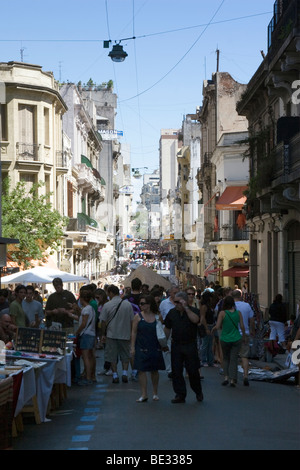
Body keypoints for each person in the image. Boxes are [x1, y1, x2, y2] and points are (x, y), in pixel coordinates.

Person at [164, 291, 203, 403]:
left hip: (190, 344)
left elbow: (196, 320)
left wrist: (186, 308)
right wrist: (163, 343)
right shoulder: (172, 313)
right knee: (176, 371)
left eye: (177, 302)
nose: (175, 304)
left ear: (184, 301)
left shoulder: (193, 311)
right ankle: (180, 394)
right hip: (176, 344)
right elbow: (167, 328)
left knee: (193, 371)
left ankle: (198, 391)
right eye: (174, 302)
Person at [131, 294, 165, 402]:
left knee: (154, 370)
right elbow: (134, 332)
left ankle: (155, 392)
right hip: (141, 345)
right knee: (141, 370)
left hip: (155, 345)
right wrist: (132, 347)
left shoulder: (157, 316)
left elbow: (161, 331)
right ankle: (144, 394)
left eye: (142, 304)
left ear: (149, 305)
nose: (140, 306)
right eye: (140, 304)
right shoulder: (137, 317)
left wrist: (164, 344)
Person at [100, 285, 135, 384]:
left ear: (110, 293)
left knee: (112, 356)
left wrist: (103, 334)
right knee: (125, 355)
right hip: (125, 334)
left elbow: (103, 321)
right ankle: (124, 373)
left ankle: (115, 375)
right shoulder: (127, 304)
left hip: (111, 334)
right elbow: (132, 320)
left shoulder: (107, 305)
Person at [212, 295, 245, 387]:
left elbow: (218, 326)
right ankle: (233, 379)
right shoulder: (238, 313)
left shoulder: (222, 313)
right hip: (236, 338)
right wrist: (244, 336)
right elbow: (242, 326)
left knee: (226, 358)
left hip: (225, 339)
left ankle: (226, 377)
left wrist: (213, 329)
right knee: (234, 359)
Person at [231, 289, 255, 386]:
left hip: (233, 334)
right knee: (244, 356)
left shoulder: (231, 306)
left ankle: (234, 377)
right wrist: (252, 330)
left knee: (234, 356)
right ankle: (245, 375)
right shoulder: (247, 305)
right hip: (245, 333)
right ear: (241, 296)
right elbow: (252, 319)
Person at [74, 289, 96, 385]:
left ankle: (87, 378)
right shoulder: (91, 308)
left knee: (85, 357)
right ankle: (90, 376)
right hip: (91, 334)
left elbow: (83, 323)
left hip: (86, 334)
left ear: (82, 298)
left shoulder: (86, 309)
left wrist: (77, 332)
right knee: (90, 356)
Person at [159, 284, 179, 378]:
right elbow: (161, 316)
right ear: (170, 293)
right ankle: (170, 370)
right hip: (168, 328)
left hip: (179, 329)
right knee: (167, 350)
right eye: (174, 293)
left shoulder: (181, 303)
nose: (176, 294)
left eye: (178, 293)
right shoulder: (164, 303)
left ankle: (176, 368)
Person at [95, 288, 111, 376]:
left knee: (109, 349)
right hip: (101, 327)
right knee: (106, 349)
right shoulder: (100, 304)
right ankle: (106, 367)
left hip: (106, 328)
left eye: (98, 297)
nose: (97, 299)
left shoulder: (106, 304)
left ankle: (110, 368)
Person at [199, 291, 216, 367]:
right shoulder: (204, 307)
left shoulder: (210, 306)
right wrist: (206, 328)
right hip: (207, 326)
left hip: (211, 325)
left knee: (210, 344)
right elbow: (202, 318)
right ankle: (203, 360)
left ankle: (210, 361)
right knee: (205, 344)